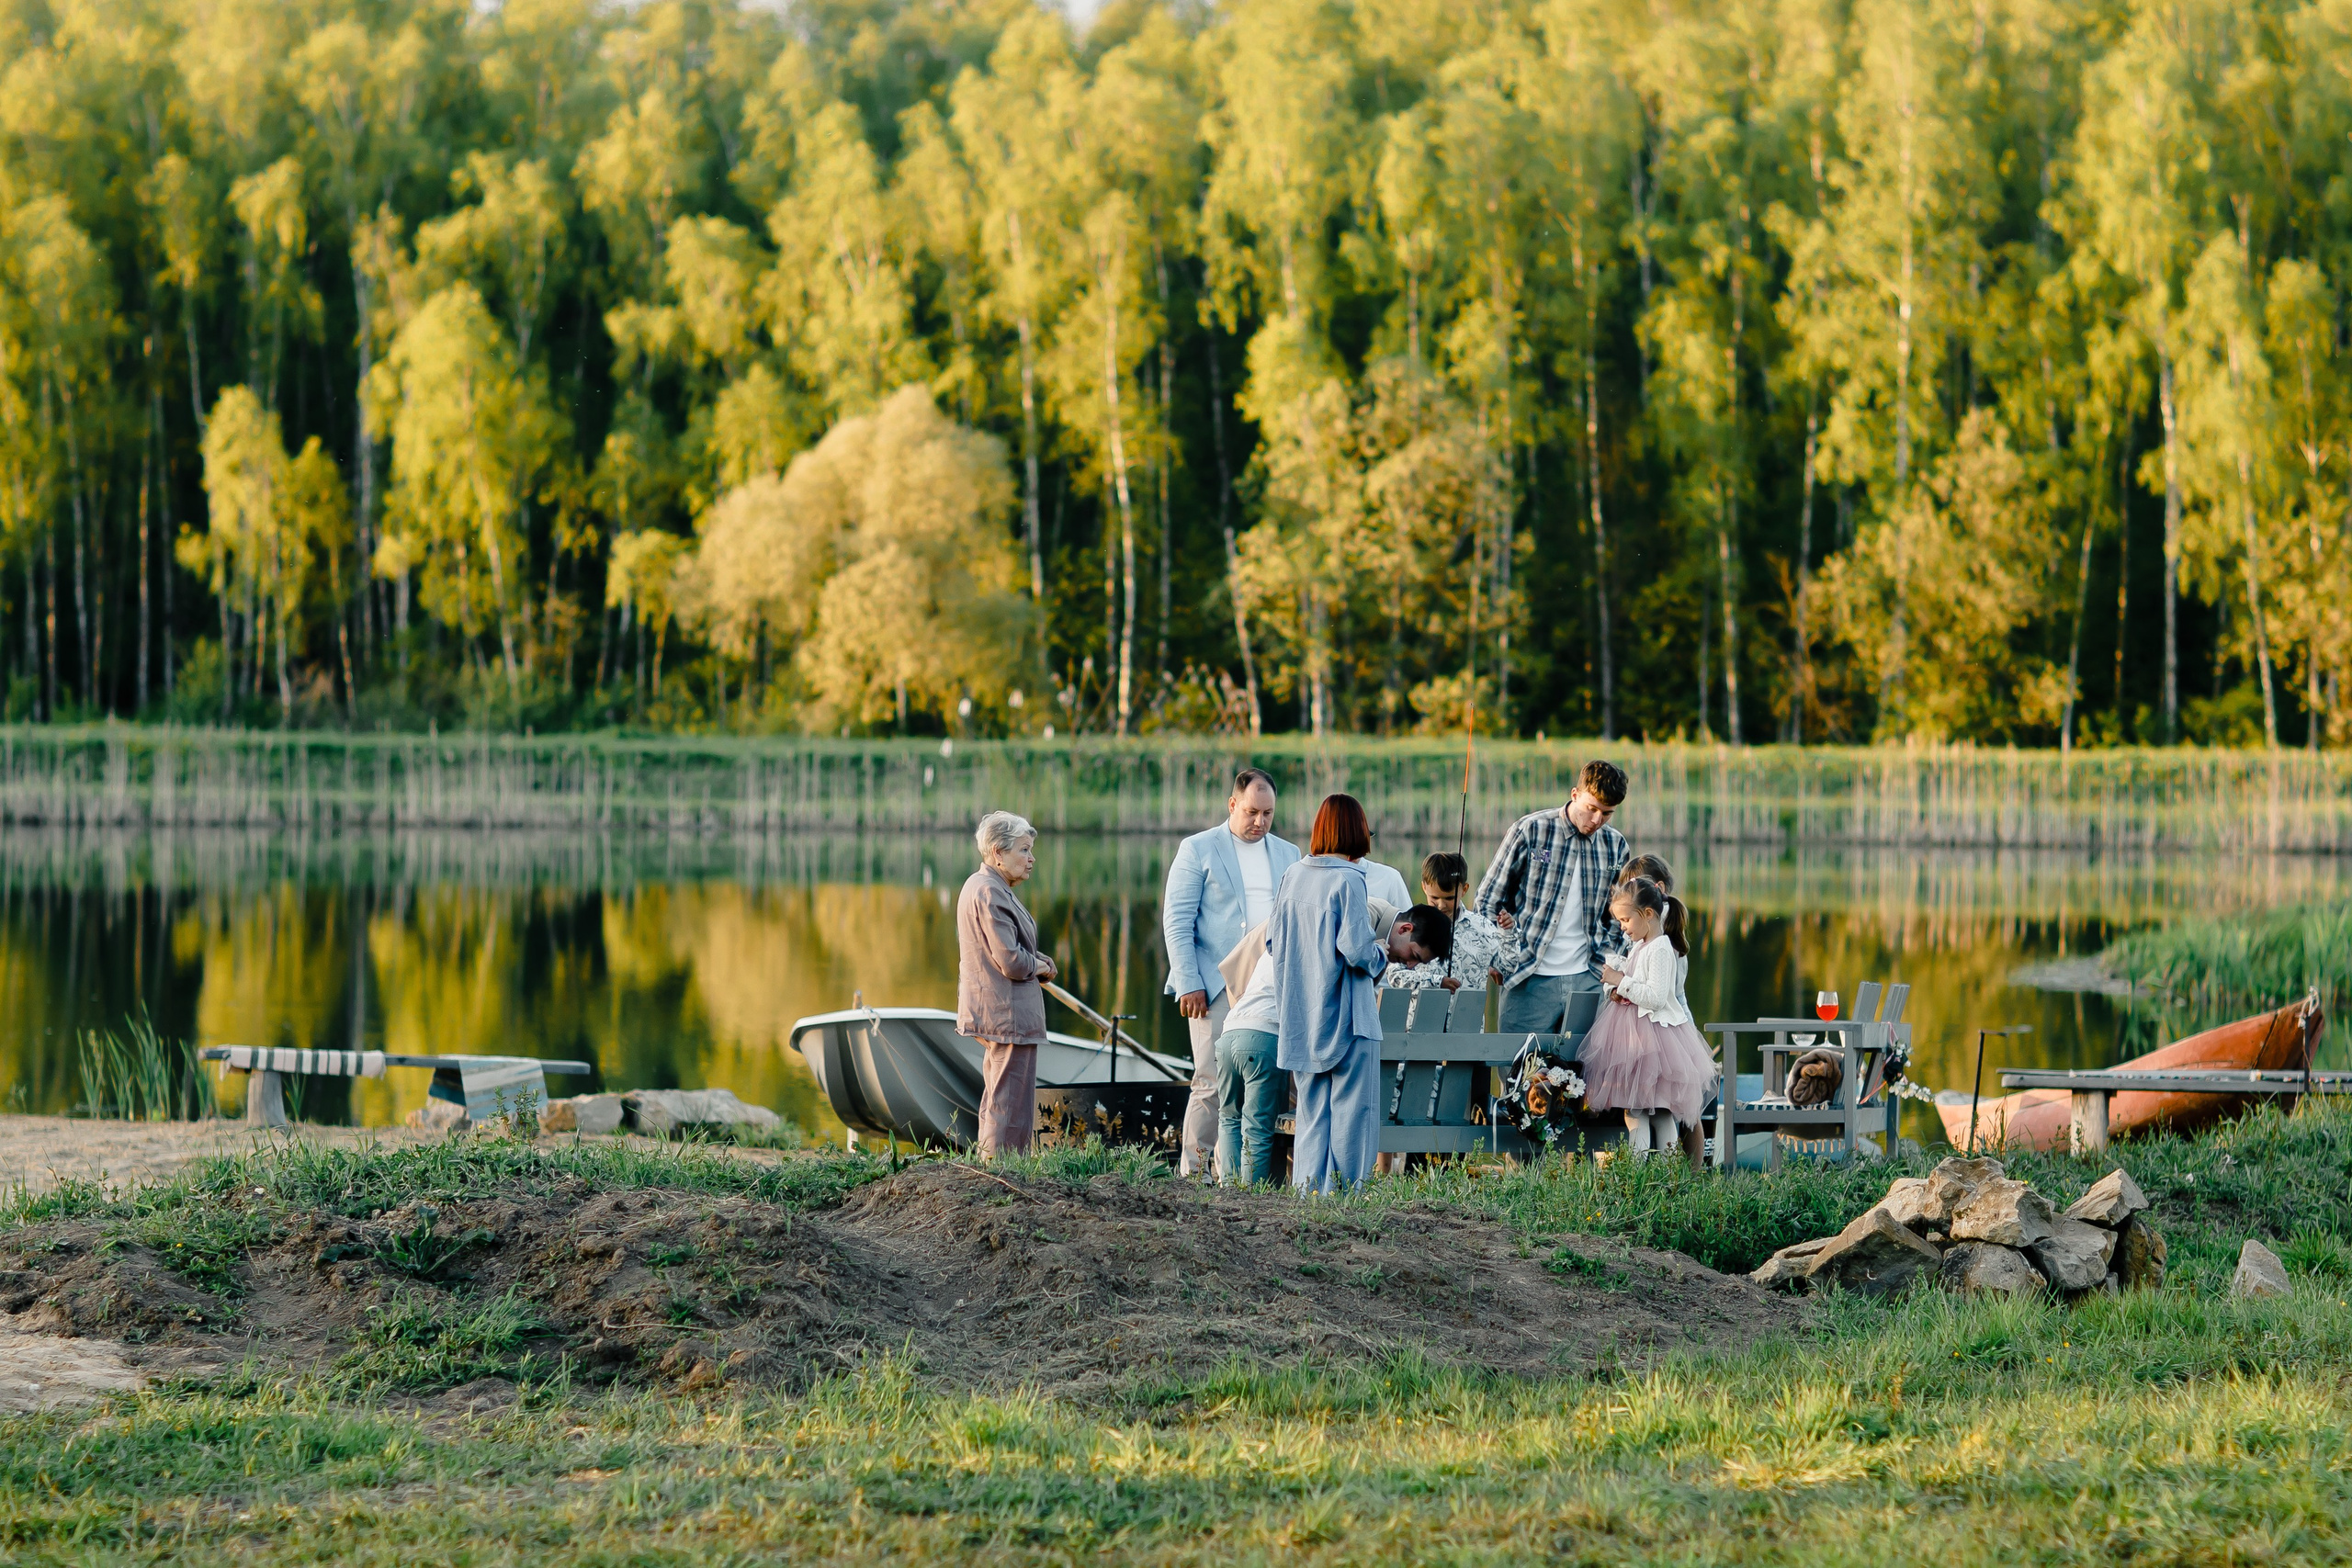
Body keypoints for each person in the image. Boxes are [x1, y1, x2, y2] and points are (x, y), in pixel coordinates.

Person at [1216, 896, 1450, 1184]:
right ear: (1404, 929)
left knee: (1229, 1119)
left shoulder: (1350, 921)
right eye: (1414, 955)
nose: (1410, 965)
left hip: (1231, 1029)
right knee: (1259, 1128)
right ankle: (1251, 1197)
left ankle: (1227, 1195)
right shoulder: (1359, 924)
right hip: (1267, 1034)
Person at [1272, 794, 1418, 1195]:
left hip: (1301, 1017)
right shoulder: (1349, 879)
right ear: (1356, 829)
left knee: (1312, 1114)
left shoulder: (1291, 874)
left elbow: (1273, 943)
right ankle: (1345, 1195)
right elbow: (1357, 949)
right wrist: (1381, 954)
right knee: (1354, 1114)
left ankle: (1308, 1193)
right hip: (1349, 1019)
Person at [1162, 768, 1302, 1178]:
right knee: (1209, 1082)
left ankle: (1252, 1178)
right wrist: (1188, 981)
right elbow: (1177, 921)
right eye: (1252, 812)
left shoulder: (1289, 854)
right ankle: (1196, 1174)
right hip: (1213, 985)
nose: (1259, 822)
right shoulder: (1197, 848)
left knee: (1277, 1082)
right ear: (1232, 805)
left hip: (1271, 989)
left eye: (1268, 814)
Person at [1475, 759, 1631, 1033]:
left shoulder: (1616, 845)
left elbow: (1619, 917)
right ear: (1574, 795)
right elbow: (1488, 899)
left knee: (1587, 1072)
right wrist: (1497, 955)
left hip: (1591, 976)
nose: (1597, 820)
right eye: (1591, 809)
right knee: (1518, 1071)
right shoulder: (1530, 830)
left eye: (1606, 814)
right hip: (1527, 974)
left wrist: (1614, 959)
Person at [1576, 877, 1714, 1163]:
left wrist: (1621, 981)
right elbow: (1635, 982)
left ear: (1648, 915)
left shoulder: (1662, 947)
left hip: (1655, 1043)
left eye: (1626, 920)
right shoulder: (1639, 945)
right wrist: (1614, 987)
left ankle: (1662, 1172)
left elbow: (1655, 997)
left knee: (1656, 1112)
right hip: (1634, 1039)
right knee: (1636, 1112)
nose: (1623, 927)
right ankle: (1639, 1173)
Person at [956, 810, 1057, 1157]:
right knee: (1010, 1103)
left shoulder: (982, 885)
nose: (1031, 859)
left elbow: (1004, 947)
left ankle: (992, 1167)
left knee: (999, 1096)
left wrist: (1038, 958)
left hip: (997, 1011)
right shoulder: (990, 892)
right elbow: (1011, 961)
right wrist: (1039, 966)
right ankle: (1003, 1174)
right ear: (998, 852)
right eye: (1024, 850)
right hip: (1007, 1015)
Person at [1615, 852, 1706, 1164]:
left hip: (1662, 1030)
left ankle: (1690, 1175)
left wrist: (1623, 984)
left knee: (1673, 1110)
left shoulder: (1662, 942)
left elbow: (1660, 994)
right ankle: (1668, 1175)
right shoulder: (1648, 936)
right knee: (1663, 1109)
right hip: (1662, 1029)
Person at [1385, 852, 1504, 994]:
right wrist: (1437, 982)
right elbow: (1395, 976)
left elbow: (1507, 966)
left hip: (1467, 1015)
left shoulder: (1483, 927)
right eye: (1434, 897)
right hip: (1422, 1015)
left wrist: (1508, 938)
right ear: (1424, 887)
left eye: (1449, 898)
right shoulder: (1410, 925)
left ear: (1464, 889)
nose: (1441, 905)